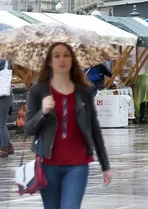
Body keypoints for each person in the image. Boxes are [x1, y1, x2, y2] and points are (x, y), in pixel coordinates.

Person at [23, 43, 112, 207]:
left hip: (77, 164)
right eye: (57, 55)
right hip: (48, 165)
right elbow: (29, 128)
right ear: (49, 61)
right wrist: (42, 112)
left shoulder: (84, 91)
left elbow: (94, 128)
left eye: (66, 55)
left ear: (73, 60)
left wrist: (105, 165)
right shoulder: (38, 90)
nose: (62, 59)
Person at [0, 56, 13, 157]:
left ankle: (3, 148)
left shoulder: (2, 62)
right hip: (6, 95)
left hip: (4, 96)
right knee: (2, 123)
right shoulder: (7, 62)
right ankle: (8, 147)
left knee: (1, 124)